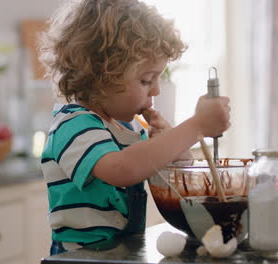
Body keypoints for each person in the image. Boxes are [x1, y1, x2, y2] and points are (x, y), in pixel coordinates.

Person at [38, 0, 231, 256]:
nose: (157, 90)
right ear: (101, 75)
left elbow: (170, 177)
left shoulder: (127, 128)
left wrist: (172, 147)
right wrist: (195, 126)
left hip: (119, 252)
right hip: (80, 257)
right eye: (146, 80)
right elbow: (123, 169)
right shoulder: (72, 124)